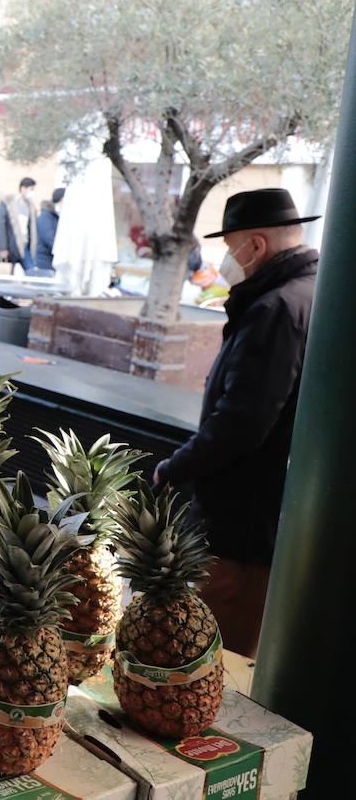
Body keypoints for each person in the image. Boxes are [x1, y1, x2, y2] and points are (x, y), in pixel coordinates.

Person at [154, 188, 320, 658]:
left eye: (230, 249)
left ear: (256, 246)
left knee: (213, 656)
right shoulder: (310, 293)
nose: (228, 261)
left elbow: (242, 422)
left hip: (240, 527)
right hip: (264, 518)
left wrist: (176, 467)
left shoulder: (276, 307)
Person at [0, 177, 37, 272]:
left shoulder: (31, 207)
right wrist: (3, 247)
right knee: (6, 275)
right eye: (31, 189)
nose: (32, 192)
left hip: (25, 246)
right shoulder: (8, 203)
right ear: (23, 189)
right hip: (10, 246)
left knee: (31, 271)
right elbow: (1, 226)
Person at [33, 187, 64, 274]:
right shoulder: (46, 216)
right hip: (44, 261)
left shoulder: (56, 216)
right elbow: (49, 238)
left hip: (52, 261)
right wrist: (61, 251)